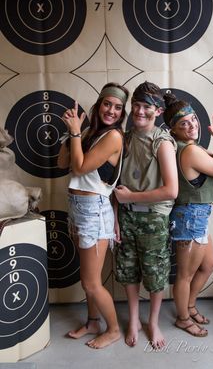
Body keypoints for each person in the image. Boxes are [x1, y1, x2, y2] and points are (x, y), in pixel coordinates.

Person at [57, 82, 129, 349]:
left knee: (90, 282)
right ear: (99, 104)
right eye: (107, 104)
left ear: (123, 113)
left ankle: (112, 330)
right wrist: (72, 133)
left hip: (94, 211)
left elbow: (80, 165)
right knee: (90, 280)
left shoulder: (113, 137)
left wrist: (76, 133)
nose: (111, 111)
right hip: (78, 207)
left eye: (118, 108)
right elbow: (63, 163)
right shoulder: (89, 132)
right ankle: (93, 322)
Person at [114, 81, 178, 348]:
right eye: (136, 105)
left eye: (147, 107)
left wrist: (131, 197)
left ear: (158, 111)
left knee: (154, 274)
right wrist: (116, 217)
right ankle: (133, 319)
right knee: (129, 272)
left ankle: (152, 321)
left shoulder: (161, 142)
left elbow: (171, 190)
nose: (140, 111)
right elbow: (114, 185)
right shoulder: (124, 138)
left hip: (153, 218)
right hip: (126, 216)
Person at [163, 92, 213, 337]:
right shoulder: (188, 151)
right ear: (174, 130)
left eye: (192, 119)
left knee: (209, 264)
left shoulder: (192, 148)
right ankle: (182, 318)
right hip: (190, 216)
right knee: (185, 274)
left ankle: (190, 306)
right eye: (184, 123)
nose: (191, 125)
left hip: (197, 215)